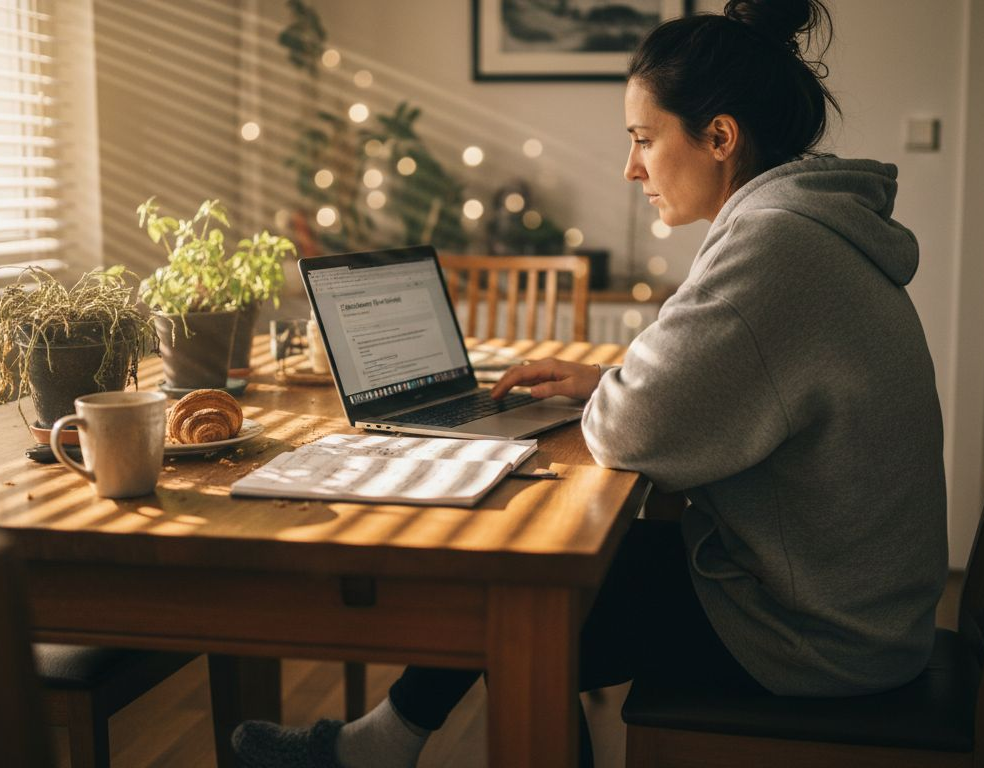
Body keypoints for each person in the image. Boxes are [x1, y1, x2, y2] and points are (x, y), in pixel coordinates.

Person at [232, 0, 947, 765]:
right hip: (852, 605)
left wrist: (614, 394)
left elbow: (634, 431)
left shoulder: (775, 246)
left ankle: (370, 748)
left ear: (719, 137)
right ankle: (378, 744)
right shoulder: (804, 224)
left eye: (643, 138)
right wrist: (607, 378)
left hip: (817, 639)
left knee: (519, 608)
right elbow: (715, 387)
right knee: (536, 581)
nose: (631, 167)